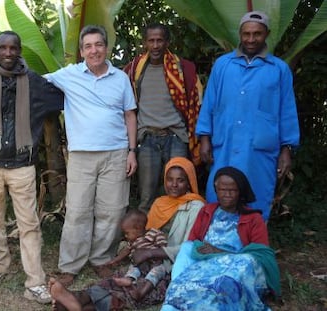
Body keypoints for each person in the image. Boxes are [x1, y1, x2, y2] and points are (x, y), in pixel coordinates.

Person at [0, 31, 64, 304]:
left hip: (23, 165)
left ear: (20, 50)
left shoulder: (35, 83)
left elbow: (62, 99)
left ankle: (35, 281)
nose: (9, 53)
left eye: (14, 48)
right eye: (4, 48)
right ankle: (0, 267)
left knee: (29, 224)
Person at [44, 25, 138, 286]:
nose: (94, 50)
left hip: (117, 153)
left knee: (112, 210)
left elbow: (130, 115)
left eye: (98, 44)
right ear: (82, 51)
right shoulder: (69, 75)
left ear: (106, 47)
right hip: (82, 155)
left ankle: (101, 259)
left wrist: (132, 152)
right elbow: (37, 81)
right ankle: (70, 266)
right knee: (77, 211)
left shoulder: (120, 78)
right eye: (88, 46)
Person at [48, 157, 205, 310]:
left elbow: (190, 247)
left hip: (170, 265)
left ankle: (76, 304)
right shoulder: (161, 203)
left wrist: (151, 253)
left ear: (189, 182)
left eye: (180, 180)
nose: (174, 185)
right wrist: (137, 251)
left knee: (138, 290)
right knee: (117, 280)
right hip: (145, 259)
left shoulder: (196, 207)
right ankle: (78, 299)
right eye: (170, 179)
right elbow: (143, 234)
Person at [195, 11, 300, 220]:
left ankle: (253, 245)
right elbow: (209, 104)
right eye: (247, 34)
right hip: (225, 145)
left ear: (267, 34)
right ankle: (218, 241)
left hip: (259, 149)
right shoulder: (223, 65)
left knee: (258, 196)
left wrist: (286, 149)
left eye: (257, 34)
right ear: (240, 34)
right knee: (219, 194)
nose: (251, 39)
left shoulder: (279, 69)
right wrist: (204, 137)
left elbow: (287, 110)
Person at [162, 166, 281, 310]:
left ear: (240, 192)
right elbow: (194, 242)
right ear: (216, 190)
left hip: (234, 268)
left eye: (232, 190)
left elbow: (262, 256)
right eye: (223, 190)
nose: (227, 194)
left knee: (247, 260)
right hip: (205, 263)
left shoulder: (253, 218)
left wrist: (219, 252)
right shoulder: (206, 211)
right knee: (187, 246)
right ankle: (179, 286)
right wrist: (204, 251)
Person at [124, 22, 203, 212]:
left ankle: (178, 235)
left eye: (160, 40)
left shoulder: (183, 69)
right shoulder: (134, 70)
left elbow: (196, 102)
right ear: (145, 43)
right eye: (151, 40)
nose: (156, 45)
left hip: (176, 137)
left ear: (167, 42)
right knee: (147, 195)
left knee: (180, 193)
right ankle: (145, 238)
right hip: (147, 139)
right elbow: (124, 106)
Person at [107, 209, 168, 301]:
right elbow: (126, 251)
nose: (126, 236)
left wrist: (158, 259)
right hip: (140, 264)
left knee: (154, 274)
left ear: (138, 228)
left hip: (157, 263)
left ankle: (142, 292)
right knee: (133, 268)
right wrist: (116, 260)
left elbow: (163, 248)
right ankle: (128, 279)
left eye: (127, 233)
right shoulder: (132, 241)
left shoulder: (154, 233)